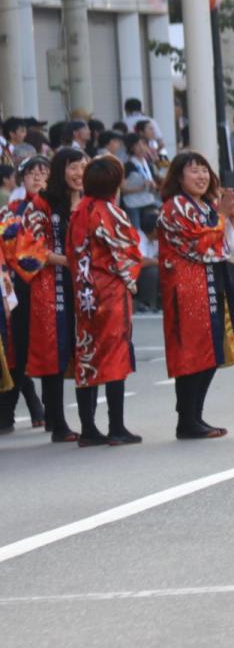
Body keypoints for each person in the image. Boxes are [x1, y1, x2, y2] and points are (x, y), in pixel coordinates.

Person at [158, 152, 234, 440]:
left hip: (212, 283)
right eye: (193, 171)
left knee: (212, 350)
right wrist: (224, 217)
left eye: (204, 170)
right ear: (179, 177)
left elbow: (228, 246)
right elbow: (199, 243)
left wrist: (231, 218)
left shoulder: (207, 205)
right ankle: (187, 418)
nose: (201, 176)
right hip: (187, 288)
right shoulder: (174, 207)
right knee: (192, 353)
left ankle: (194, 416)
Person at [67, 156, 143, 446]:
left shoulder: (79, 212)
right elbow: (128, 252)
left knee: (87, 356)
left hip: (84, 292)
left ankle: (88, 429)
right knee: (115, 358)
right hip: (110, 294)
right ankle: (116, 427)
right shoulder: (111, 212)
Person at [19, 148, 89, 442]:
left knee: (85, 349)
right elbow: (27, 248)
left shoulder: (89, 203)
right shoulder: (41, 204)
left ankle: (90, 423)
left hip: (83, 286)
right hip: (52, 286)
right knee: (54, 353)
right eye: (73, 167)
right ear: (61, 169)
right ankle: (57, 421)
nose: (79, 173)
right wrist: (66, 260)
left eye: (84, 167)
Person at [0, 158, 48, 433]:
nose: (37, 177)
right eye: (31, 173)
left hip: (52, 285)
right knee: (17, 347)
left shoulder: (58, 208)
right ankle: (15, 407)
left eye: (43, 172)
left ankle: (46, 410)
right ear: (21, 179)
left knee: (50, 349)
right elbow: (8, 247)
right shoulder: (13, 211)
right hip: (20, 286)